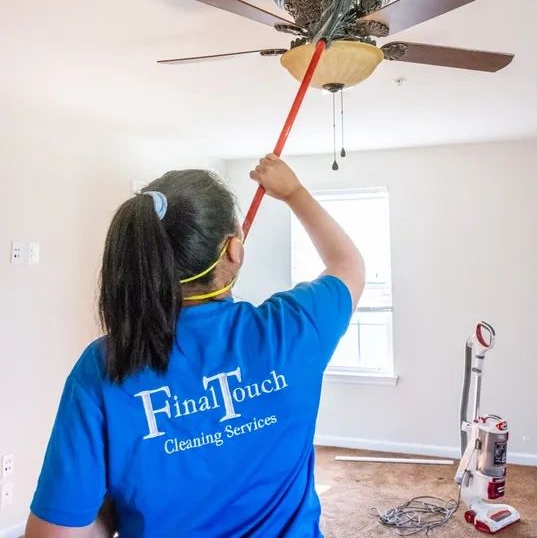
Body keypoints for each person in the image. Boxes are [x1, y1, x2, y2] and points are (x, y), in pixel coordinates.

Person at [26, 155, 365, 538]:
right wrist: (295, 193)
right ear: (234, 250)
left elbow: (54, 533)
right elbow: (347, 264)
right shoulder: (293, 329)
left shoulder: (103, 366)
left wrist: (110, 510)